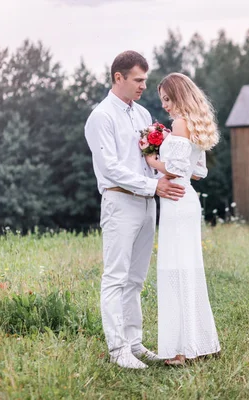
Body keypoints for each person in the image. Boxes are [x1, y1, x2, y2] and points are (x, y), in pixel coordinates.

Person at [84, 51, 186, 369]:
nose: (144, 85)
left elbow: (149, 160)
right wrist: (153, 186)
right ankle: (118, 350)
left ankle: (135, 343)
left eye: (145, 79)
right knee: (116, 276)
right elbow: (110, 168)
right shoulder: (101, 117)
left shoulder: (142, 116)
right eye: (138, 80)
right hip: (119, 203)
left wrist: (169, 178)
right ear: (119, 78)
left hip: (147, 204)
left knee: (136, 279)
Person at [142, 72, 221, 366]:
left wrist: (149, 155)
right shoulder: (196, 125)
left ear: (178, 96)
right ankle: (200, 343)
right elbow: (200, 171)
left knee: (174, 272)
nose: (164, 105)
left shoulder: (179, 123)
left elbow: (173, 169)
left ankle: (181, 351)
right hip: (188, 200)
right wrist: (176, 161)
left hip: (175, 200)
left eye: (166, 98)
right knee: (189, 270)